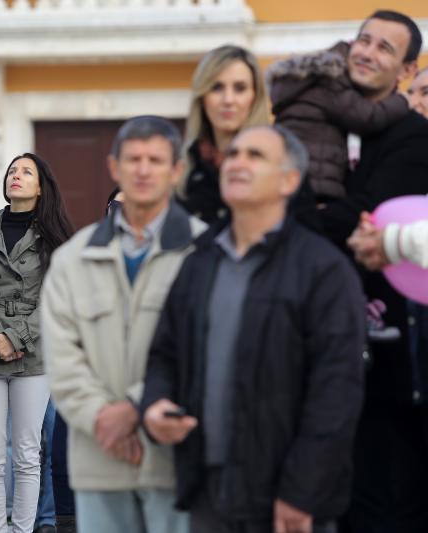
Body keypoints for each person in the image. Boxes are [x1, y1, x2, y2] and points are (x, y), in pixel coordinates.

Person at [141, 125, 365, 533]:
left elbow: (337, 392)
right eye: (235, 153)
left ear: (289, 181)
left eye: (256, 156)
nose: (238, 163)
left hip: (286, 500)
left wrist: (303, 491)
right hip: (207, 491)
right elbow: (164, 354)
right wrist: (155, 404)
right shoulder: (199, 262)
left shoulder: (323, 269)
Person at [40, 116, 204, 533]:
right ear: (114, 168)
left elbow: (210, 347)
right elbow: (61, 356)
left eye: (156, 159)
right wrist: (102, 417)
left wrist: (136, 409)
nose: (144, 169)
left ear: (177, 170)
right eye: (133, 159)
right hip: (100, 458)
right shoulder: (73, 260)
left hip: (176, 458)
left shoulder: (204, 253)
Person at [312, 11, 428, 532]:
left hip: (390, 346)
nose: (367, 51)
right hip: (319, 342)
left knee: (387, 495)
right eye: (364, 40)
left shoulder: (413, 136)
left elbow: (361, 211)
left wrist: (303, 216)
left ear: (405, 71)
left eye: (385, 48)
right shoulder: (321, 123)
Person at [0, 152, 74, 533]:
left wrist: (16, 338)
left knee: (28, 454)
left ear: (41, 186)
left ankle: (22, 529)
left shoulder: (57, 236)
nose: (16, 176)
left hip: (35, 352)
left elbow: (55, 299)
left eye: (26, 172)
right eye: (12, 170)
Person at [268, 41, 410, 201]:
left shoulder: (302, 85)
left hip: (287, 174)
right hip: (315, 181)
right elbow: (368, 117)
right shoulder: (330, 83)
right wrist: (402, 100)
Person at [176, 45, 269, 225]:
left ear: (255, 96)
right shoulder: (183, 168)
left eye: (239, 88)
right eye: (217, 87)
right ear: (202, 96)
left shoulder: (280, 162)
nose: (228, 100)